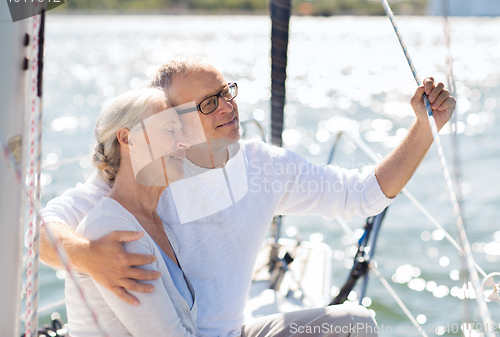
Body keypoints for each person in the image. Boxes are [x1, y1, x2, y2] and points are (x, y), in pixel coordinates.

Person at [36, 57, 456, 337]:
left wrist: (424, 128)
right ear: (170, 118)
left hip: (237, 332)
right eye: (208, 104)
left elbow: (361, 195)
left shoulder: (262, 167)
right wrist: (86, 254)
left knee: (356, 325)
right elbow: (36, 235)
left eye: (227, 92)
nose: (228, 107)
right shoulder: (137, 183)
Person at [63, 88, 200, 336]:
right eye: (170, 130)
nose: (184, 142)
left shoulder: (159, 224)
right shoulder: (114, 229)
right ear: (127, 139)